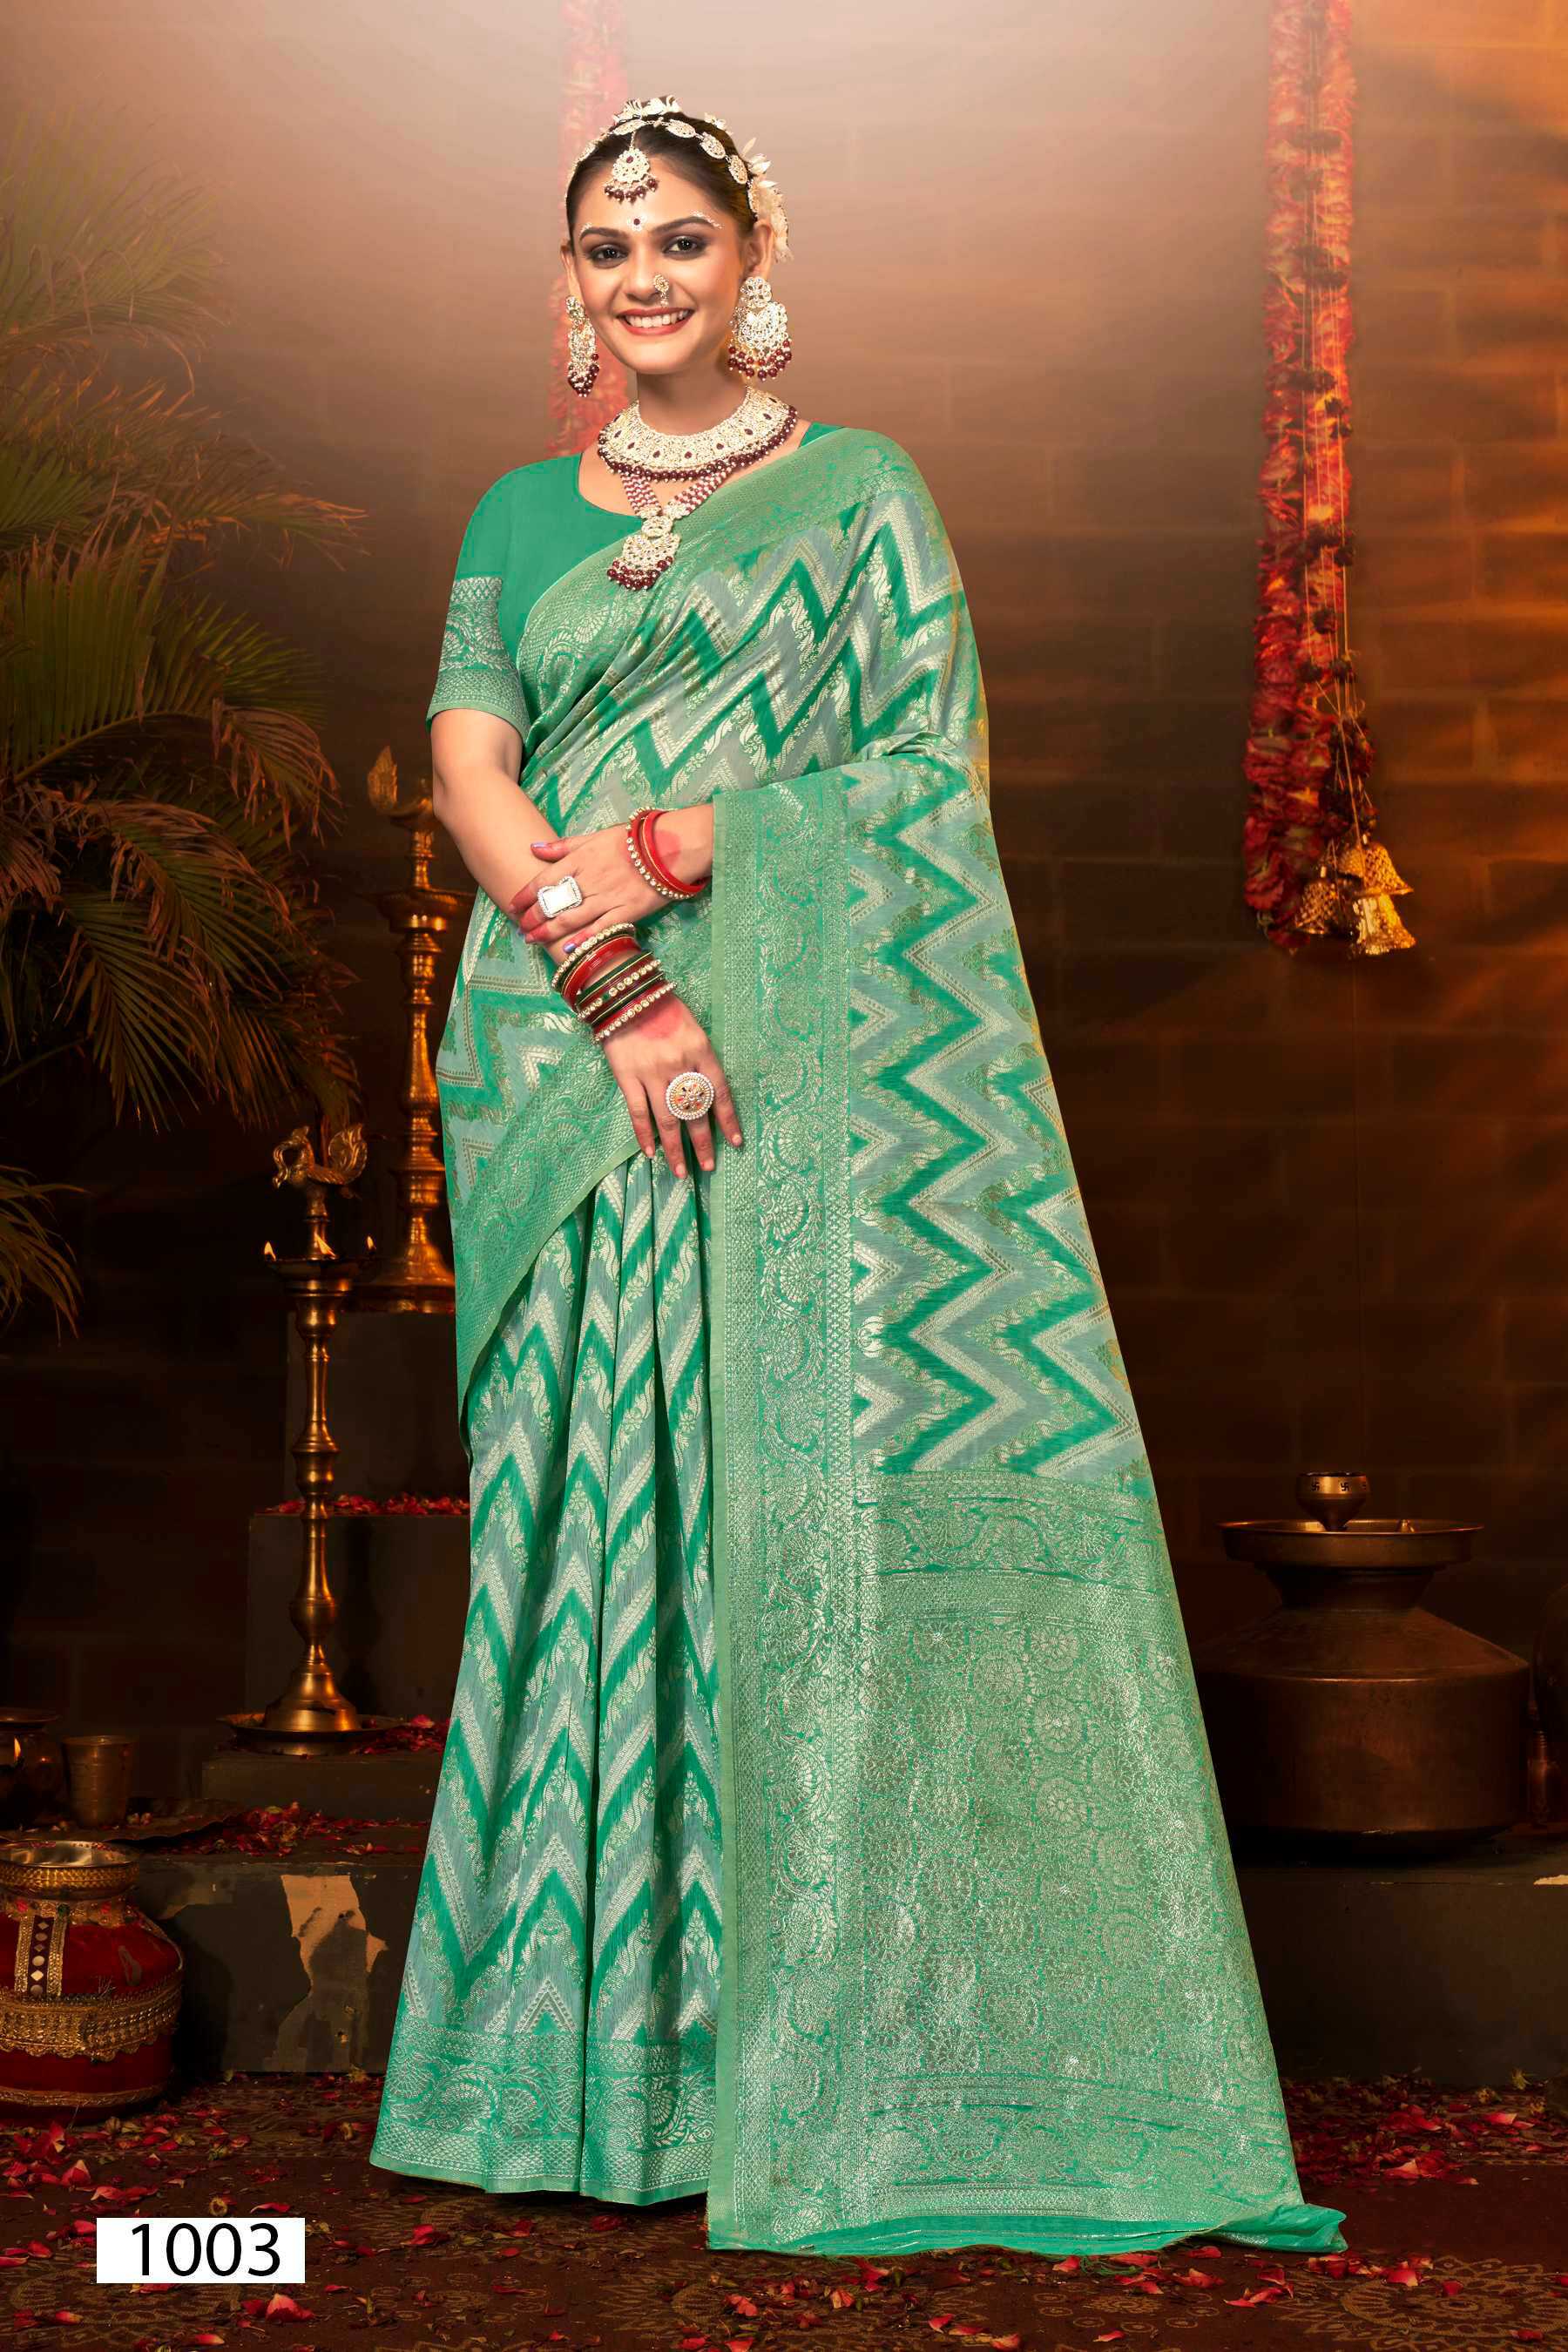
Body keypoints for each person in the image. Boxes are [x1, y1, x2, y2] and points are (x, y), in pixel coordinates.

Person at [369, 93, 1347, 2262]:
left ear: (755, 259)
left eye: (680, 240)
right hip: (571, 1062)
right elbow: (466, 762)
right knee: (580, 1525)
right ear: (571, 284)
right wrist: (617, 978)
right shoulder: (521, 511)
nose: (644, 276)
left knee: (765, 1516)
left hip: (796, 1061)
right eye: (607, 245)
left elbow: (925, 779)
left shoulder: (864, 496)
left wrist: (695, 841)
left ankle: (800, 2057)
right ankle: (567, 2070)